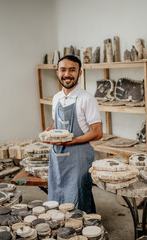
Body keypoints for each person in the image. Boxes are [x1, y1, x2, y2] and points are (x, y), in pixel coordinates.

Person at [45, 55, 103, 213]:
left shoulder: (86, 99)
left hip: (78, 155)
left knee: (79, 194)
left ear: (80, 73)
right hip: (57, 155)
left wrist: (73, 140)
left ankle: (84, 229)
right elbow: (55, 123)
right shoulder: (57, 98)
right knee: (57, 191)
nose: (67, 74)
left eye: (72, 70)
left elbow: (97, 132)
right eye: (63, 70)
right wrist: (50, 132)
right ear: (57, 72)